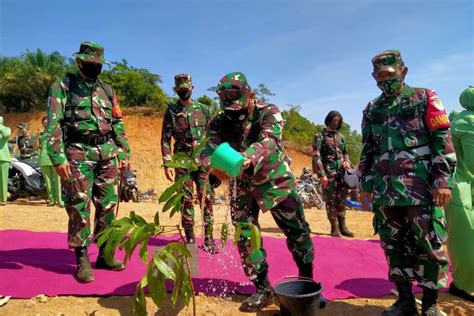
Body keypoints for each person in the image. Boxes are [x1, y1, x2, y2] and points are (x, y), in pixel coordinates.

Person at [201, 72, 315, 312]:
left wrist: (246, 158)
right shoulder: (218, 121)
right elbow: (205, 151)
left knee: (298, 233)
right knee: (245, 237)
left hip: (275, 181)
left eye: (235, 96)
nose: (231, 104)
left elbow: (270, 140)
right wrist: (212, 167)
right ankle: (262, 288)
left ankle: (307, 283)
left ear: (250, 94)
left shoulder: (269, 111)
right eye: (225, 98)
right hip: (241, 187)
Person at [358, 50, 455, 315]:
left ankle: (431, 304)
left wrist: (443, 180)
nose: (384, 79)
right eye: (379, 75)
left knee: (429, 244)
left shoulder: (424, 97)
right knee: (393, 245)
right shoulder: (371, 108)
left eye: (389, 74)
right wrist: (365, 185)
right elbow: (367, 149)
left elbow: (441, 139)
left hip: (421, 189)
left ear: (403, 71)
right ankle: (405, 301)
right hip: (385, 191)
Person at [45, 41, 130, 283]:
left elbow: (118, 123)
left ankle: (104, 254)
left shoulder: (108, 89)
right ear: (79, 61)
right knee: (79, 207)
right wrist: (58, 157)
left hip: (107, 153)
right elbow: (53, 124)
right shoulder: (63, 86)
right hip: (77, 152)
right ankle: (82, 260)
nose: (95, 67)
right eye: (90, 63)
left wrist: (123, 152)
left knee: (108, 207)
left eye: (98, 64)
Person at [160, 74, 218, 254]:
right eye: (181, 90)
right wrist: (168, 163)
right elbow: (165, 139)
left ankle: (208, 238)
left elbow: (214, 136)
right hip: (182, 161)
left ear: (192, 88)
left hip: (203, 161)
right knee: (186, 199)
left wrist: (216, 162)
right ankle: (191, 238)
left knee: (206, 198)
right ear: (176, 90)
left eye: (187, 89)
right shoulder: (171, 111)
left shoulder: (204, 109)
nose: (184, 92)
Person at [444, 86, 474, 302]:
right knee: (465, 238)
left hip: (459, 185)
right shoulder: (469, 121)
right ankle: (463, 285)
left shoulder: (463, 118)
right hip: (461, 188)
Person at [312, 111, 354, 237]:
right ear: (329, 120)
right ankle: (334, 228)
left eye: (339, 121)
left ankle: (343, 227)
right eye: (335, 120)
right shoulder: (319, 135)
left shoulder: (341, 137)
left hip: (341, 174)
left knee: (341, 200)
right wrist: (321, 174)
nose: (337, 123)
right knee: (330, 200)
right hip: (328, 174)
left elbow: (345, 152)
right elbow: (316, 156)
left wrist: (346, 161)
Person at [38, 116, 63, 207]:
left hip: (55, 158)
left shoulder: (56, 131)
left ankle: (60, 200)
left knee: (58, 180)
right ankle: (52, 200)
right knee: (48, 181)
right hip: (44, 159)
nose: (45, 123)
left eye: (47, 122)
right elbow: (37, 147)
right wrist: (38, 136)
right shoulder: (42, 134)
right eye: (44, 122)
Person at [0, 116, 11, 205]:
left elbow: (6, 134)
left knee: (3, 179)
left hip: (4, 158)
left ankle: (3, 199)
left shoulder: (6, 129)